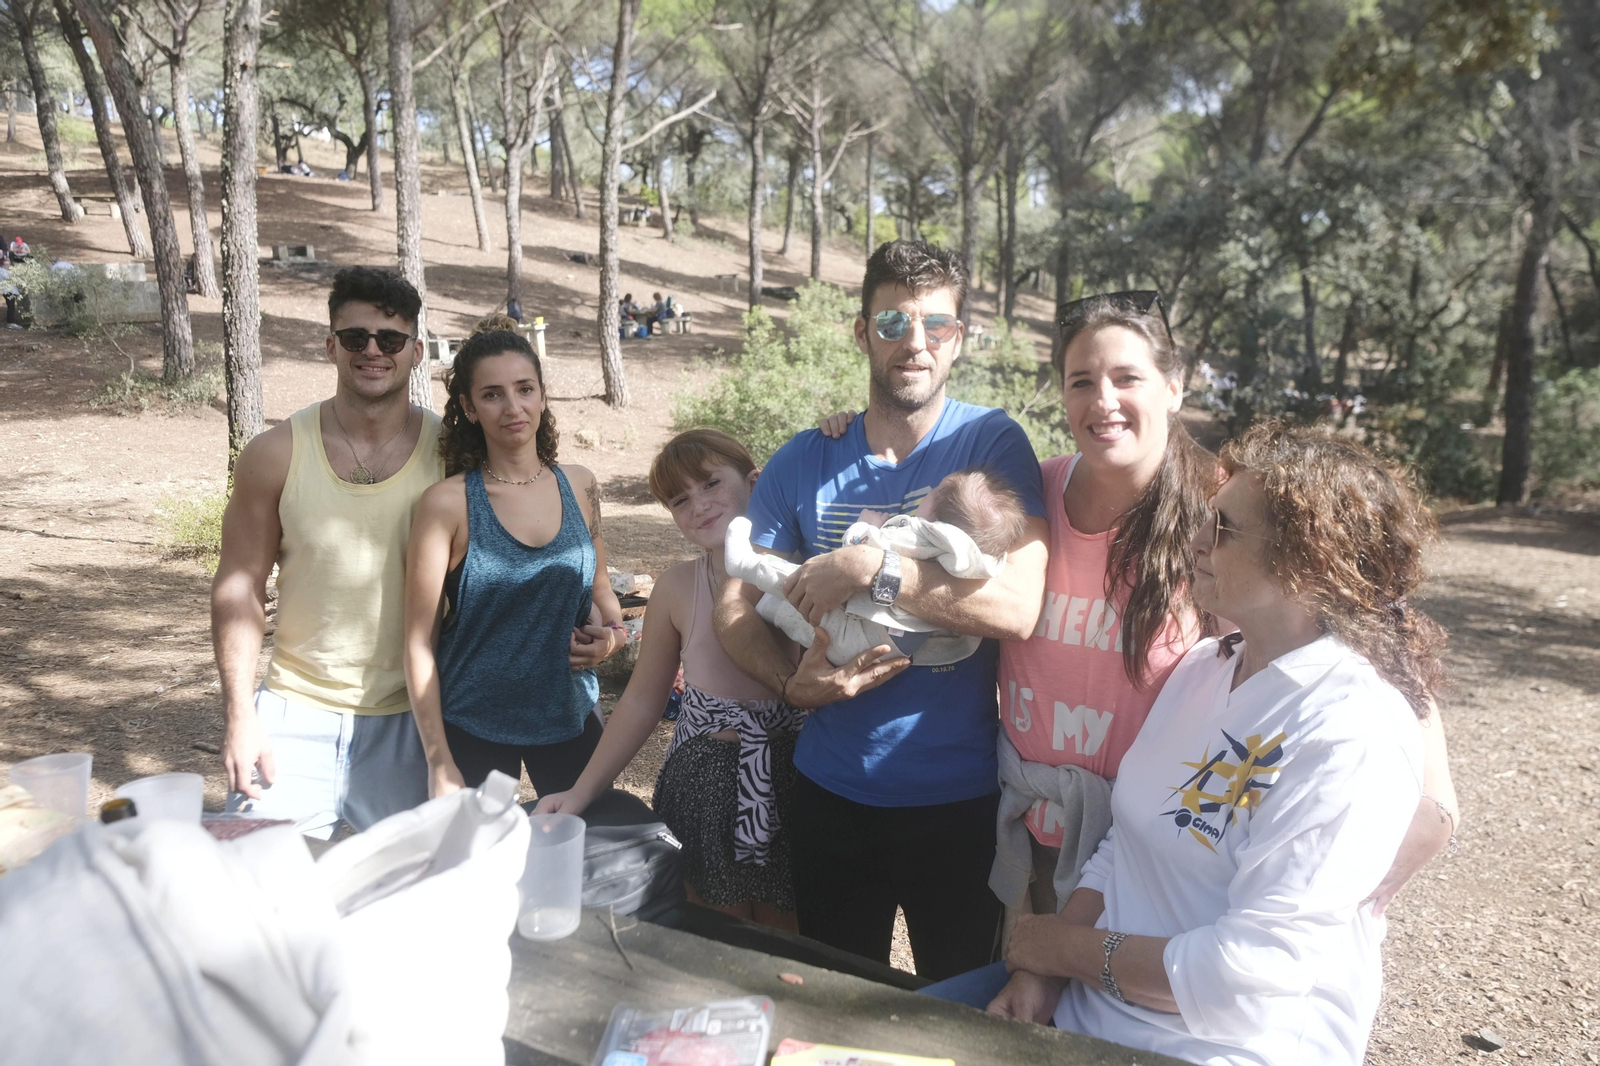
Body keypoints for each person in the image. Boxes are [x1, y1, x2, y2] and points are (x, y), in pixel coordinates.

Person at [824, 291, 1458, 923]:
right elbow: (930, 540)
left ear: (1173, 388)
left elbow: (1357, 619)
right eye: (1081, 381)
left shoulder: (1225, 514)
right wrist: (853, 432)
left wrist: (1428, 807)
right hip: (1023, 829)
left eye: (1127, 378)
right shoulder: (1031, 494)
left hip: (1154, 860)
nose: (1103, 401)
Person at [936, 423, 1448, 1066]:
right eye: (1207, 516)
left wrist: (1064, 951)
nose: (1197, 539)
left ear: (1310, 563)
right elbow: (1125, 844)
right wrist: (1047, 973)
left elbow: (1246, 979)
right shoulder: (1204, 667)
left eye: (1225, 528)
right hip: (1086, 1012)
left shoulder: (1349, 729)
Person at [715, 239, 1050, 980]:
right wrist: (789, 684)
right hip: (830, 793)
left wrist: (874, 567)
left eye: (937, 324)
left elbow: (1019, 607)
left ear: (958, 339)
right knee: (835, 1005)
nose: (916, 343)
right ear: (862, 332)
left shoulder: (990, 442)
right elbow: (734, 602)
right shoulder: (807, 457)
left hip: (960, 801)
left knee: (958, 1010)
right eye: (894, 323)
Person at [536, 429, 805, 929]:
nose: (699, 505)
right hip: (703, 786)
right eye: (680, 500)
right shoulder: (678, 586)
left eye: (711, 483)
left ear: (755, 481)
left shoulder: (802, 572)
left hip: (795, 778)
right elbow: (641, 701)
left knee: (789, 938)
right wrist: (581, 792)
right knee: (715, 936)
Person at [213, 267, 438, 837]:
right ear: (331, 346)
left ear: (415, 352)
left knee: (406, 884)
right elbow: (239, 587)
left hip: (416, 719)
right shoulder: (274, 454)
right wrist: (241, 714)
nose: (372, 351)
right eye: (355, 337)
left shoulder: (455, 456)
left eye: (390, 340)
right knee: (252, 876)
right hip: (291, 713)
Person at [404, 330, 625, 797]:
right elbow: (419, 642)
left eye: (524, 389)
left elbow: (602, 588)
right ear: (469, 407)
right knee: (480, 846)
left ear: (542, 395)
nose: (513, 407)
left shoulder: (581, 485)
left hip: (570, 712)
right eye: (492, 394)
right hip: (472, 722)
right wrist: (438, 760)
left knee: (588, 841)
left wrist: (613, 638)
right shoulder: (446, 503)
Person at [724, 467, 1029, 666]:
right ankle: (767, 607)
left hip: (858, 633)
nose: (928, 491)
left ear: (936, 519)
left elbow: (852, 558)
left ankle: (747, 564)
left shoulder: (924, 535)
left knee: (805, 579)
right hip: (886, 649)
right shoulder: (974, 561)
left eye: (933, 491)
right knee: (790, 615)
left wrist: (864, 526)